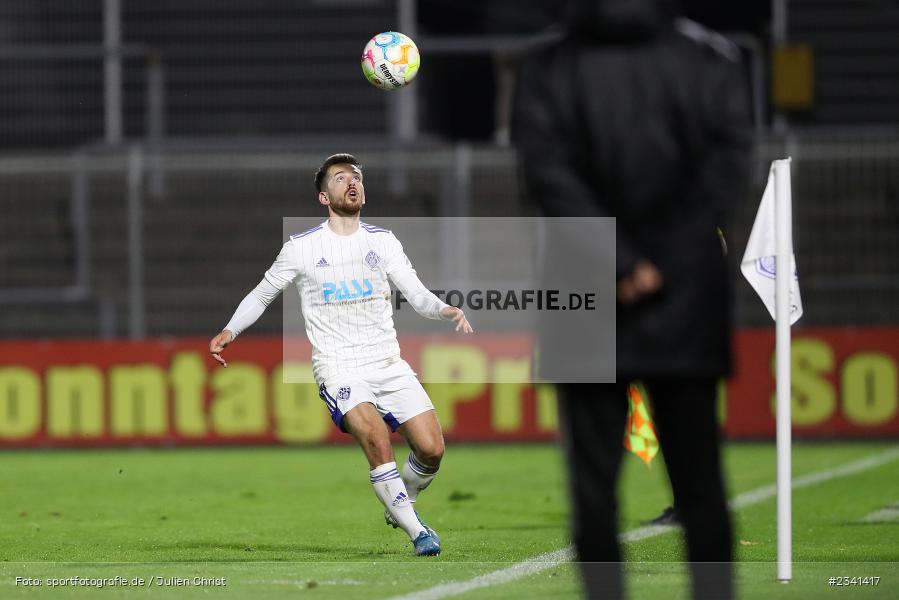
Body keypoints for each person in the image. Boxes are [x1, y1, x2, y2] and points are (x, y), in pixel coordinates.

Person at [513, 0, 752, 598]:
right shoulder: (709, 57)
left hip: (584, 289)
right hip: (685, 297)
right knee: (701, 486)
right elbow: (726, 168)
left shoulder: (547, 64)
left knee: (593, 492)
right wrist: (660, 264)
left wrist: (618, 260)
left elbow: (547, 174)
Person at [208, 153, 473, 557]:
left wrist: (443, 309)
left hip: (388, 363)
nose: (352, 183)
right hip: (339, 367)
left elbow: (416, 293)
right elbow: (263, 294)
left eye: (357, 178)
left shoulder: (382, 242)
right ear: (323, 197)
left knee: (432, 450)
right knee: (376, 436)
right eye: (340, 179)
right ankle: (418, 532)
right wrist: (230, 330)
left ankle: (404, 498)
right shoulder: (301, 248)